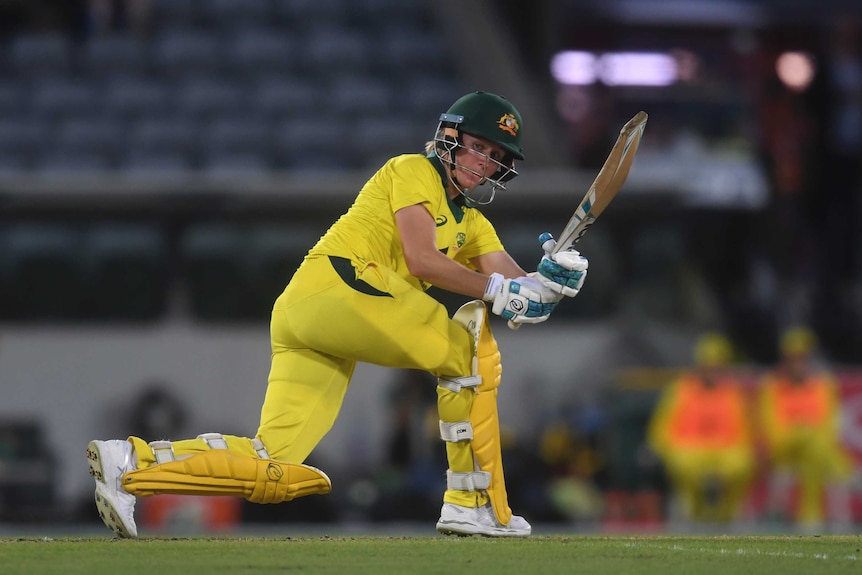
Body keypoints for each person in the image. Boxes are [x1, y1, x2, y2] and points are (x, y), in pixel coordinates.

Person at [86, 91, 589, 538]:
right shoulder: (412, 169)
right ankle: (473, 503)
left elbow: (516, 291)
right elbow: (423, 260)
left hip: (311, 314)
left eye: (496, 156)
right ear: (449, 138)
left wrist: (551, 282)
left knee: (272, 461)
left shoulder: (474, 223)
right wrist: (504, 290)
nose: (485, 162)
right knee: (469, 353)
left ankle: (131, 465)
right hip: (341, 284)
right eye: (479, 146)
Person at [646, 332, 755, 523]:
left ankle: (729, 512)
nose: (712, 371)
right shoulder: (680, 390)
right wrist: (662, 448)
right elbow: (661, 429)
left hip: (724, 453)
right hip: (690, 451)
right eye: (708, 365)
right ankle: (688, 510)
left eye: (717, 366)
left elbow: (745, 433)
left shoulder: (733, 394)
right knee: (685, 466)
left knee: (739, 463)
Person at [757, 327, 855, 529]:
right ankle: (811, 517)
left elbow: (829, 426)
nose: (798, 364)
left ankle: (812, 518)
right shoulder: (772, 385)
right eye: (793, 358)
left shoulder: (823, 384)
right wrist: (802, 432)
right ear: (785, 360)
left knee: (816, 452)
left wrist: (807, 433)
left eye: (802, 358)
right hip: (785, 451)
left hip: (816, 451)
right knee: (823, 453)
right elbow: (772, 428)